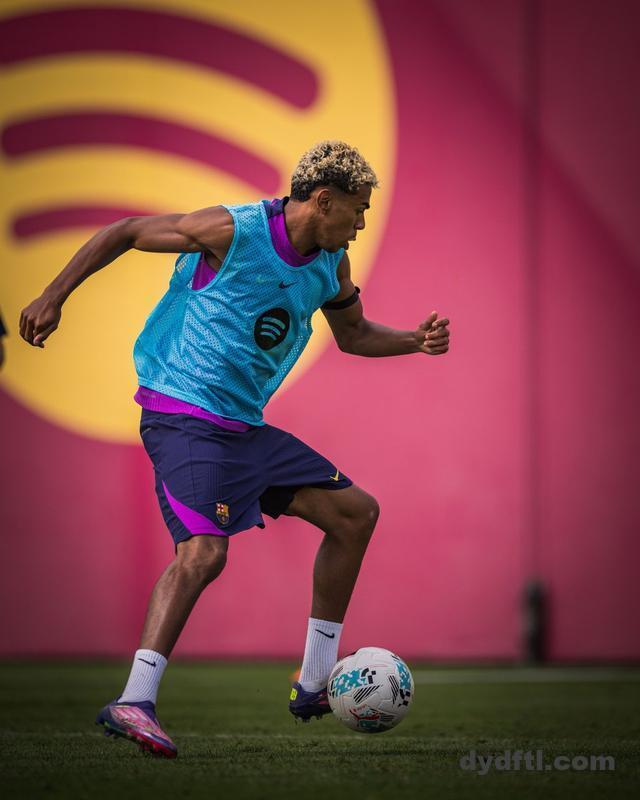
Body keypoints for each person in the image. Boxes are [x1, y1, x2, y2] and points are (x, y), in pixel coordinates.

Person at [19, 141, 450, 758]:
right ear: (322, 200)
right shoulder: (234, 230)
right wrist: (53, 295)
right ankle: (134, 700)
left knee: (355, 513)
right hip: (183, 416)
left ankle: (314, 681)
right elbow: (127, 230)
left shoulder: (331, 264)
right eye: (356, 209)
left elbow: (353, 334)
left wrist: (414, 340)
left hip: (243, 428)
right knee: (203, 553)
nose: (361, 223)